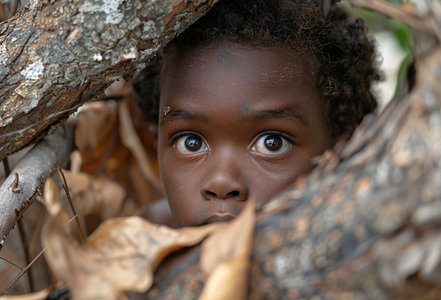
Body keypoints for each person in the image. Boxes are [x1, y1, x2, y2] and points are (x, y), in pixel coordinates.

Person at [133, 0, 380, 227]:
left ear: (342, 149)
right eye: (191, 143)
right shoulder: (136, 256)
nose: (222, 182)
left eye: (272, 143)